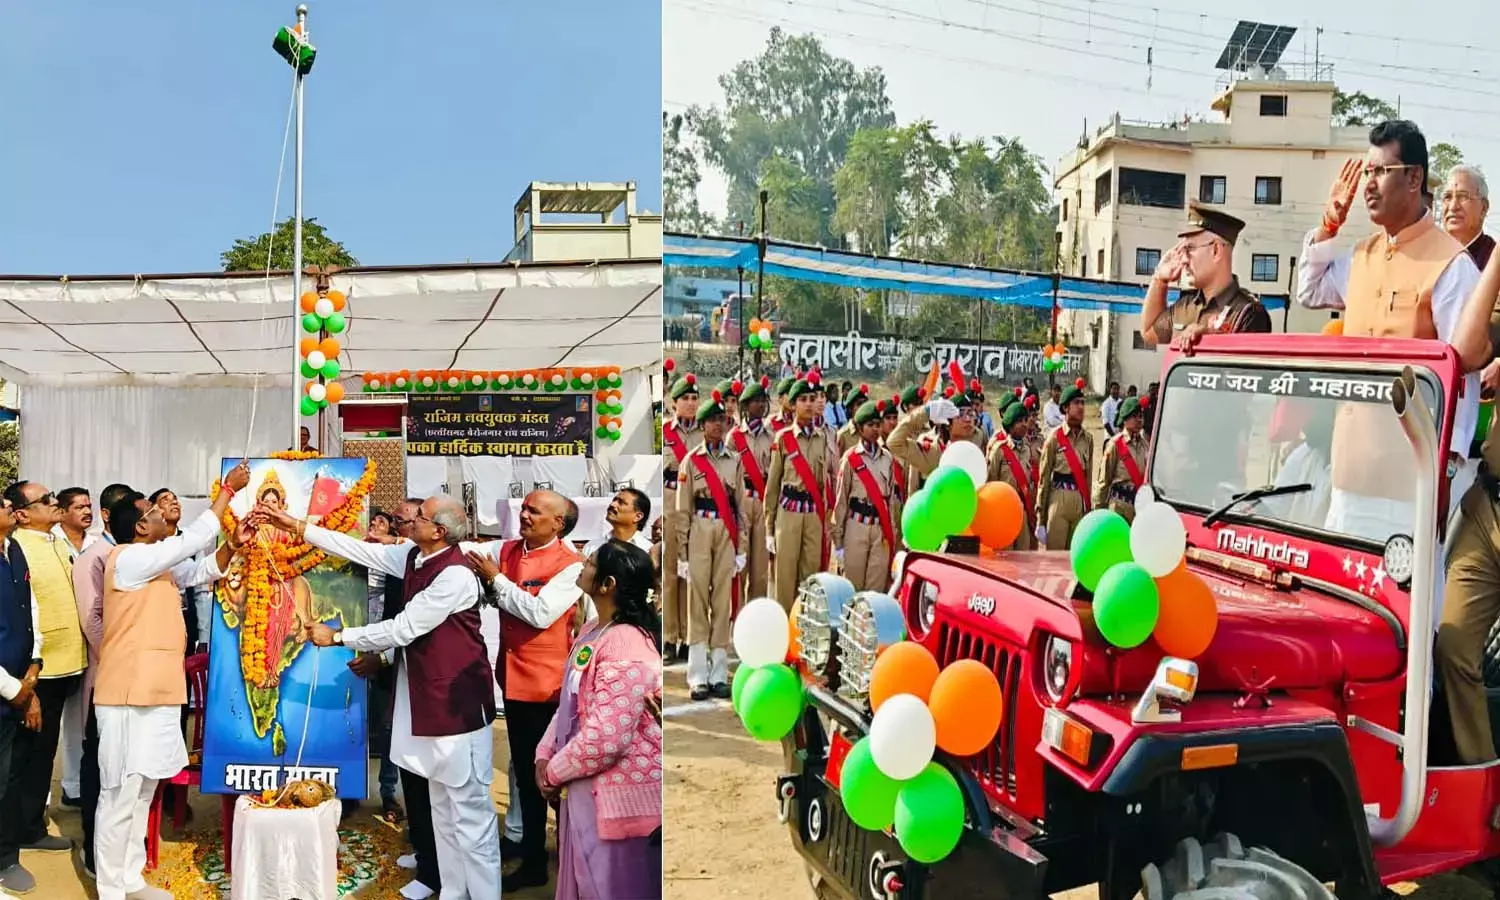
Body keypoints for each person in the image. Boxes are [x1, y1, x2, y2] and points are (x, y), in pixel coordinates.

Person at [266, 494, 503, 900]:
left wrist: (339, 636)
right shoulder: (414, 556)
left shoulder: (456, 575)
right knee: (442, 810)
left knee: (470, 816)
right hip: (427, 699)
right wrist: (299, 527)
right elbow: (359, 549)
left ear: (439, 532)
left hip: (457, 705)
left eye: (419, 519)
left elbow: (404, 628)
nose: (408, 524)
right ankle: (453, 891)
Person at [94, 462, 252, 900]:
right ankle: (110, 887)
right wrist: (227, 492)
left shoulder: (155, 565)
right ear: (142, 526)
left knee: (144, 787)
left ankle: (129, 879)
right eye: (155, 511)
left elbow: (201, 570)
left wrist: (232, 549)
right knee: (120, 792)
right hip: (127, 693)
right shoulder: (129, 560)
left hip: (158, 691)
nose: (166, 515)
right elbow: (197, 538)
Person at [462, 491, 584, 893]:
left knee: (553, 777)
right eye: (524, 507)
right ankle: (533, 855)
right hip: (513, 682)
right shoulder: (509, 549)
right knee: (526, 774)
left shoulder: (570, 566)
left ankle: (570, 855)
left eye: (535, 511)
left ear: (558, 524)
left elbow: (539, 612)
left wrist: (495, 579)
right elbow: (465, 550)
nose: (525, 514)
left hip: (547, 687)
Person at [537, 540, 663, 900]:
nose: (582, 563)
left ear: (607, 585)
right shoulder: (595, 628)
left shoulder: (626, 644)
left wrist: (553, 771)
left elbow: (606, 739)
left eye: (590, 561)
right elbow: (570, 702)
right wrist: (545, 752)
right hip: (580, 787)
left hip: (613, 799)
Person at [2, 481, 85, 873]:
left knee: (43, 751)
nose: (55, 504)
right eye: (46, 501)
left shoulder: (49, 542)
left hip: (63, 663)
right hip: (35, 672)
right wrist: (30, 674)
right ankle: (20, 832)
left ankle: (30, 824)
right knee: (26, 755)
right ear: (21, 513)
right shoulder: (20, 546)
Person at [70, 482, 136, 879]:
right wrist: (115, 654)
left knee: (126, 765)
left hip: (130, 675)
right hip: (106, 671)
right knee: (99, 762)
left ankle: (121, 848)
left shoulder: (128, 554)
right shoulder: (94, 556)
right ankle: (95, 852)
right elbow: (91, 617)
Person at [676, 392, 748, 700]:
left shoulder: (735, 461)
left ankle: (719, 673)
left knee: (722, 602)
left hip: (726, 531)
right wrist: (681, 552)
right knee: (697, 602)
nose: (719, 425)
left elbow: (741, 507)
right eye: (713, 421)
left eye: (723, 420)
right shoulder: (692, 461)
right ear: (703, 425)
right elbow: (682, 510)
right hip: (700, 530)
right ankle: (697, 676)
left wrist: (742, 547)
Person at [1138, 203, 1274, 351]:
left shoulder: (1248, 312)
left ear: (1216, 250)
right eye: (1181, 250)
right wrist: (1159, 280)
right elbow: (1149, 332)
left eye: (1189, 249)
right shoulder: (1186, 305)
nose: (1183, 260)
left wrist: (1207, 337)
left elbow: (1241, 369)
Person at [765, 372, 836, 612]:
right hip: (788, 515)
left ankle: (805, 631)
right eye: (802, 399)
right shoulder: (783, 438)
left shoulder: (822, 437)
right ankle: (784, 630)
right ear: (793, 405)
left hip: (813, 514)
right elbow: (773, 486)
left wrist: (826, 519)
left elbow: (824, 483)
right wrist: (769, 528)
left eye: (811, 398)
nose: (808, 403)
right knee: (785, 576)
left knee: (811, 577)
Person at [0, 492, 41, 896]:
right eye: (1, 504)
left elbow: (32, 612)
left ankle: (7, 856)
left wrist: (34, 668)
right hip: (5, 689)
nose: (10, 507)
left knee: (10, 778)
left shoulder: (15, 551)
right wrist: (15, 689)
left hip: (18, 685)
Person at [833, 401, 900, 592]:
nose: (875, 429)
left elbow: (891, 501)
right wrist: (838, 543)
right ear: (860, 428)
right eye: (870, 425)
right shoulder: (850, 458)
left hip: (880, 528)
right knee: (852, 588)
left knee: (875, 589)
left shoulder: (887, 458)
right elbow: (841, 502)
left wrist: (892, 534)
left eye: (877, 425)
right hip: (856, 526)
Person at [660, 371, 702, 662]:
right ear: (673, 403)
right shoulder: (664, 432)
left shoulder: (707, 431)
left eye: (694, 398)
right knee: (669, 573)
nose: (690, 403)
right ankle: (668, 636)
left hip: (695, 507)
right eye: (685, 398)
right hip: (669, 503)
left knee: (692, 573)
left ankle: (688, 636)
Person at [1035, 379, 1095, 550]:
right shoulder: (1054, 438)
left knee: (1076, 555)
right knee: (1055, 559)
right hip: (1058, 498)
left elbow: (1088, 476)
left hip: (1079, 497)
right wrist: (1041, 517)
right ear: (1065, 408)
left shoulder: (1088, 439)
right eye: (1076, 403)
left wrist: (1088, 507)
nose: (1081, 407)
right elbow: (1044, 478)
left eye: (1083, 403)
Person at [729, 376, 774, 601]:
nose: (760, 405)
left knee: (760, 570)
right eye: (755, 401)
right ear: (745, 406)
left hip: (764, 501)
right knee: (740, 564)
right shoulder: (734, 438)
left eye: (763, 400)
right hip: (742, 501)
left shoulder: (772, 436)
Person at [887, 387, 980, 490]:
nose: (968, 420)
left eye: (971, 413)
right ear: (947, 423)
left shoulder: (976, 445)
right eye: (960, 414)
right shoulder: (933, 452)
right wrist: (925, 412)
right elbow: (894, 442)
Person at [987, 395, 1040, 551]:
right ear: (1010, 425)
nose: (1024, 425)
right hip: (1003, 510)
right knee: (1004, 555)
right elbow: (991, 482)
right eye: (1019, 422)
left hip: (1022, 509)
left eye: (1025, 420)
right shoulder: (999, 450)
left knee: (1023, 554)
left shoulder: (1028, 449)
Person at [1094, 395, 1150, 523]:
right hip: (1119, 508)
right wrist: (1098, 513)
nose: (1139, 420)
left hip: (1139, 509)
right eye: (1134, 416)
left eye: (1141, 416)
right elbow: (1104, 481)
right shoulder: (1115, 445)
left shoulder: (1145, 444)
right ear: (1125, 419)